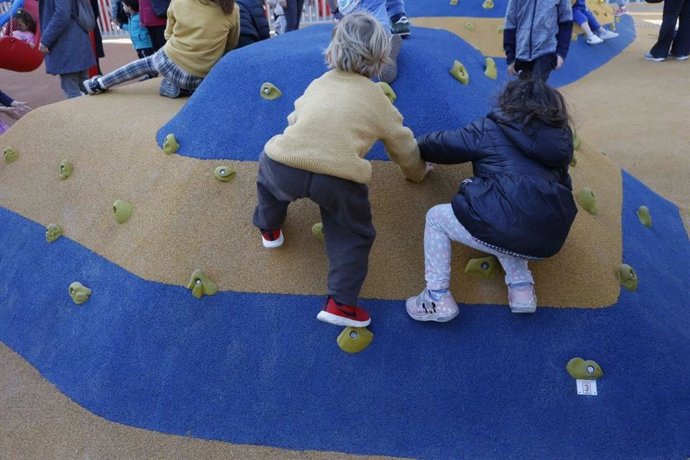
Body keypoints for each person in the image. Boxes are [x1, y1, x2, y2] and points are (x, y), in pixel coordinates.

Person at [252, 11, 428, 328]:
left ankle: (269, 227)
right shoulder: (377, 99)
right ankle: (341, 304)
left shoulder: (318, 84)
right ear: (380, 57)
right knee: (352, 235)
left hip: (286, 163)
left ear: (333, 48)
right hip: (339, 178)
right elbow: (403, 145)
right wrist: (417, 172)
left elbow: (295, 119)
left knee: (267, 182)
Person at [406, 79, 577, 321]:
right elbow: (564, 188)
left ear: (509, 102)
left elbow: (445, 145)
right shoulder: (559, 148)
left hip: (503, 220)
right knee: (513, 219)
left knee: (437, 218)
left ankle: (436, 297)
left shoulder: (491, 127)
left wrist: (414, 145)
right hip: (550, 239)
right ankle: (522, 290)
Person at [83, 0, 240, 98]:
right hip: (200, 78)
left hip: (170, 61)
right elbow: (231, 44)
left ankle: (99, 84)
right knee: (194, 75)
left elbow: (168, 34)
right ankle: (182, 89)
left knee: (144, 64)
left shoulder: (180, 2)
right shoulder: (233, 10)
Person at [503, 0, 573, 82]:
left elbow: (566, 20)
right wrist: (511, 57)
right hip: (523, 52)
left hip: (546, 50)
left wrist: (561, 53)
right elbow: (510, 23)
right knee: (523, 89)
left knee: (536, 85)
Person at [38, 0, 96, 98]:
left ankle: (80, 113)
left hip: (66, 43)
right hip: (77, 39)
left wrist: (46, 39)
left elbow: (62, 14)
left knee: (72, 90)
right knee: (84, 86)